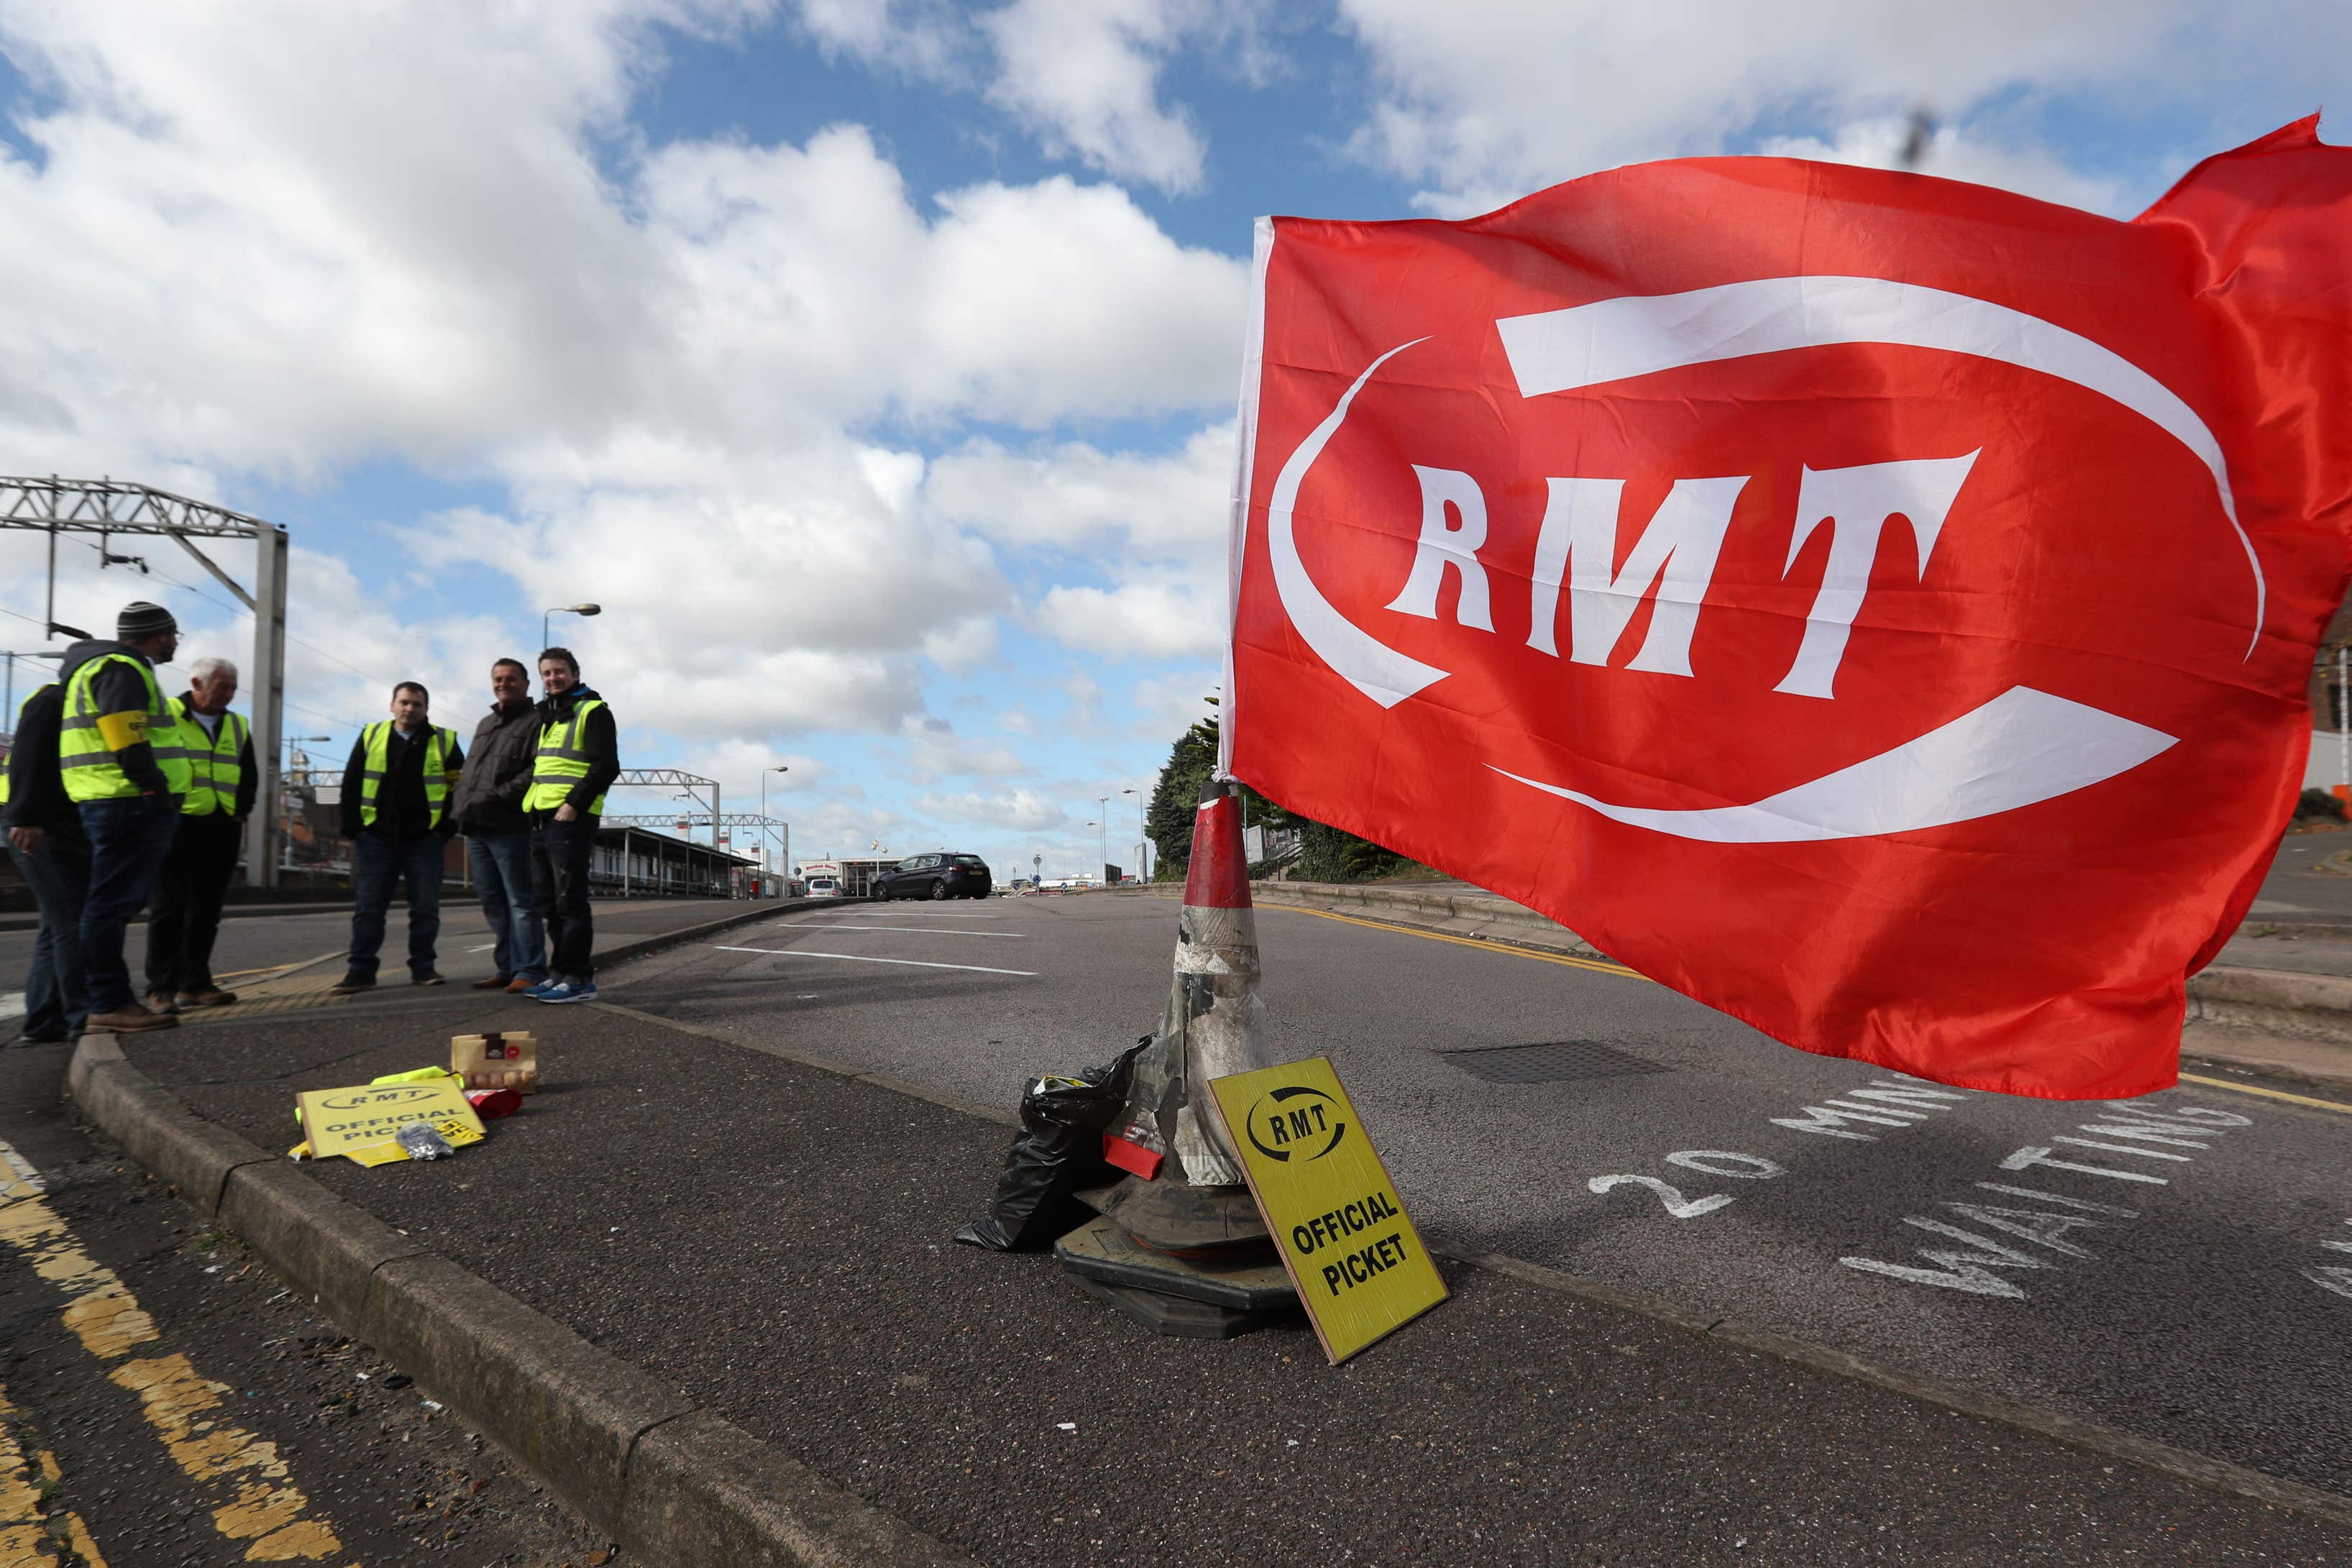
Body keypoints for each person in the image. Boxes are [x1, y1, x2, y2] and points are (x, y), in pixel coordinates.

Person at [60, 602, 190, 1034]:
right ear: (159, 635)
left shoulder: (98, 669)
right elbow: (125, 738)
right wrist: (153, 790)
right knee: (108, 906)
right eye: (173, 636)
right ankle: (109, 1001)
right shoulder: (122, 669)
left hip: (111, 800)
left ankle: (104, 998)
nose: (174, 643)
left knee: (108, 904)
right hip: (126, 801)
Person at [331, 682, 464, 995]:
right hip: (376, 838)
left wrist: (446, 828)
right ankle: (360, 972)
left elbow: (458, 786)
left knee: (425, 908)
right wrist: (354, 827)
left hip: (424, 840)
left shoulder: (444, 742)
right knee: (369, 908)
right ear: (392, 706)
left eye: (417, 704)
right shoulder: (371, 736)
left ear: (426, 709)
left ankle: (424, 968)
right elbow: (351, 782)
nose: (410, 709)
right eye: (404, 703)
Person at [143, 655, 256, 1012]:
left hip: (221, 825)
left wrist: (240, 812)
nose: (228, 694)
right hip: (177, 823)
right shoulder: (166, 714)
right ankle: (161, 988)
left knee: (207, 911)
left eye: (233, 688)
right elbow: (146, 760)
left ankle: (195, 984)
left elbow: (248, 772)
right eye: (221, 686)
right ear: (196, 683)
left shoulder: (237, 725)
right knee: (168, 908)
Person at [523, 648, 617, 1004]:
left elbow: (606, 767)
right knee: (549, 903)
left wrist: (572, 806)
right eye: (546, 673)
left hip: (569, 819)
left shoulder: (592, 711)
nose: (553, 678)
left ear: (575, 674)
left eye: (559, 672)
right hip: (540, 817)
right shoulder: (550, 717)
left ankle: (579, 979)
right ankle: (559, 972)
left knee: (570, 902)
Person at [449, 658, 547, 994]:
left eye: (511, 679)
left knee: (520, 902)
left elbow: (536, 770)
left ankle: (531, 970)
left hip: (509, 824)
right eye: (498, 679)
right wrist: (461, 807)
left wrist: (495, 797)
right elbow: (470, 774)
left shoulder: (536, 721)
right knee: (493, 903)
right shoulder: (486, 723)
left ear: (526, 683)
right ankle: (506, 968)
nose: (503, 684)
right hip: (476, 825)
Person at [3, 677, 90, 1045]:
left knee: (55, 924)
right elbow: (26, 761)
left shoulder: (68, 704)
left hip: (50, 823)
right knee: (72, 922)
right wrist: (26, 818)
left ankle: (42, 1021)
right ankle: (83, 1016)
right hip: (36, 825)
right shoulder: (52, 702)